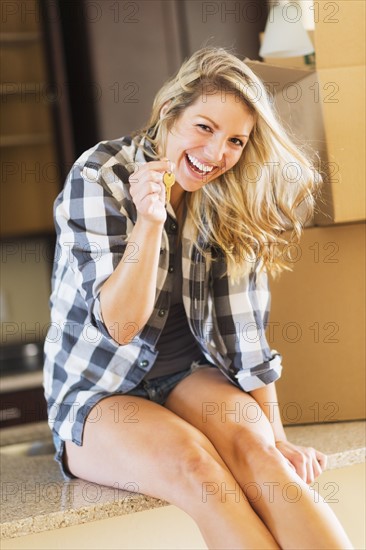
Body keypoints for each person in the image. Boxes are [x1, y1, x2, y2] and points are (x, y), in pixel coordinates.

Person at [43, 47, 353, 549]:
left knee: (266, 463)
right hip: (99, 394)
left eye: (235, 140)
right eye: (204, 128)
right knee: (198, 472)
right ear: (170, 113)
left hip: (188, 378)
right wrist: (149, 221)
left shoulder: (230, 193)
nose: (216, 155)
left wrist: (276, 438)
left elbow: (244, 333)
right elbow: (120, 326)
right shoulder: (99, 177)